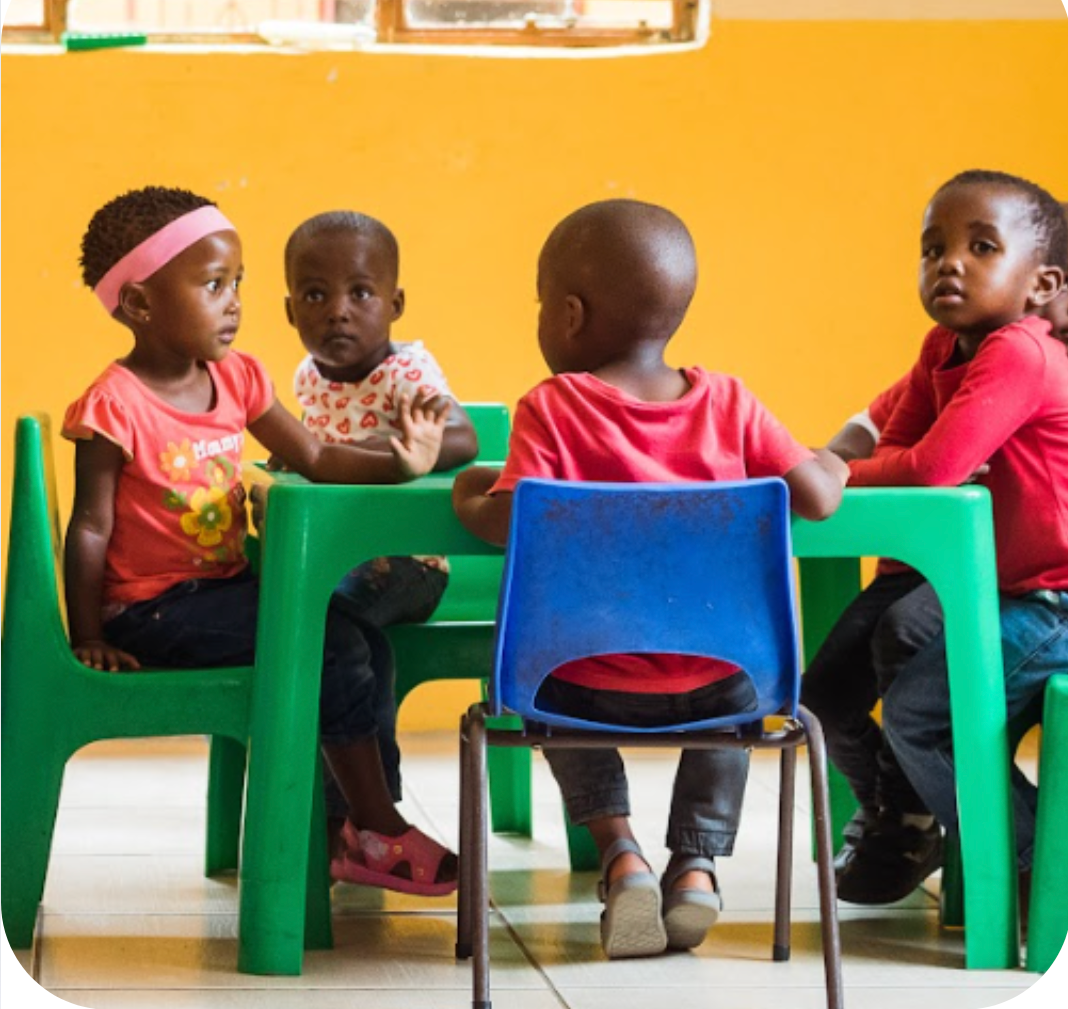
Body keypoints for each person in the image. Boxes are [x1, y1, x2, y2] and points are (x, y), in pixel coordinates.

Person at [452, 199, 849, 958]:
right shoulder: (732, 404)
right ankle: (695, 866)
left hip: (583, 681)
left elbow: (512, 520)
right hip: (722, 683)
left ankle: (620, 851)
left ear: (568, 315)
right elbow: (820, 499)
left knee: (547, 687)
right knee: (743, 695)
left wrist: (470, 491)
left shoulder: (554, 407)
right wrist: (830, 458)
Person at [64, 186, 458, 897]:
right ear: (140, 305)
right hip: (151, 611)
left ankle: (359, 822)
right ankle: (374, 825)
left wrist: (400, 462)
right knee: (330, 644)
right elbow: (89, 526)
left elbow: (314, 456)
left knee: (363, 640)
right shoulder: (113, 404)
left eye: (238, 283)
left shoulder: (238, 377)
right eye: (214, 285)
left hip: (221, 592)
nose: (235, 302)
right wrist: (89, 632)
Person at [803, 170, 1068, 906]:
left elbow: (928, 470)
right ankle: (914, 818)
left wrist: (828, 474)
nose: (949, 262)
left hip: (1052, 598)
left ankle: (1030, 860)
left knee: (925, 712)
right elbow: (901, 442)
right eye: (933, 248)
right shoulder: (943, 348)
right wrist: (844, 464)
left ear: (1041, 283)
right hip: (1000, 584)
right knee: (833, 690)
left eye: (981, 247)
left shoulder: (1021, 350)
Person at [280, 208, 477, 851]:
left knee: (337, 615)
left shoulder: (406, 374)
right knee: (340, 630)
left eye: (360, 293)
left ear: (394, 304)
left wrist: (401, 447)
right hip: (334, 559)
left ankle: (358, 804)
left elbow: (463, 438)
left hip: (410, 563)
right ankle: (357, 803)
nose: (338, 310)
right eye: (316, 295)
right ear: (290, 311)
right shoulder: (305, 379)